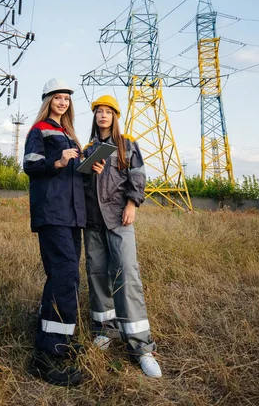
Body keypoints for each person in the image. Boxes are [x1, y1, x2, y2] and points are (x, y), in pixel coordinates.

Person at [83, 95, 162, 378]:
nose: (103, 116)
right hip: (93, 221)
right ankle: (105, 331)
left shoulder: (126, 144)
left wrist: (132, 203)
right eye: (98, 112)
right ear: (94, 117)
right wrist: (89, 171)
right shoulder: (89, 148)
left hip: (118, 218)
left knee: (126, 274)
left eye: (108, 112)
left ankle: (141, 348)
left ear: (115, 116)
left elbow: (137, 176)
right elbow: (81, 184)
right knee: (97, 273)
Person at [23, 78, 86, 387]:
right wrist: (58, 161)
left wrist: (89, 164)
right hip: (53, 212)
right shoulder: (39, 130)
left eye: (67, 98)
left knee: (65, 276)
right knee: (65, 276)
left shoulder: (69, 133)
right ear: (48, 100)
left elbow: (75, 174)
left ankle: (55, 341)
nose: (63, 102)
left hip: (73, 215)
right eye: (58, 97)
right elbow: (30, 164)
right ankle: (48, 356)